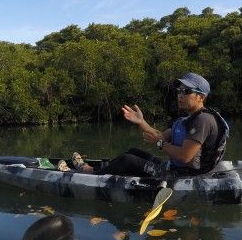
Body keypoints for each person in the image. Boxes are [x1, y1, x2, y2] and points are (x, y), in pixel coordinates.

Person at [59, 73, 228, 178]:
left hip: (185, 175)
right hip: (175, 167)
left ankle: (88, 172)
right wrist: (141, 122)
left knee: (128, 160)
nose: (180, 95)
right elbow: (159, 137)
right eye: (179, 91)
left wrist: (160, 144)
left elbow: (185, 156)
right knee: (133, 152)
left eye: (186, 91)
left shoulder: (203, 120)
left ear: (201, 97)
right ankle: (99, 168)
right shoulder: (186, 119)